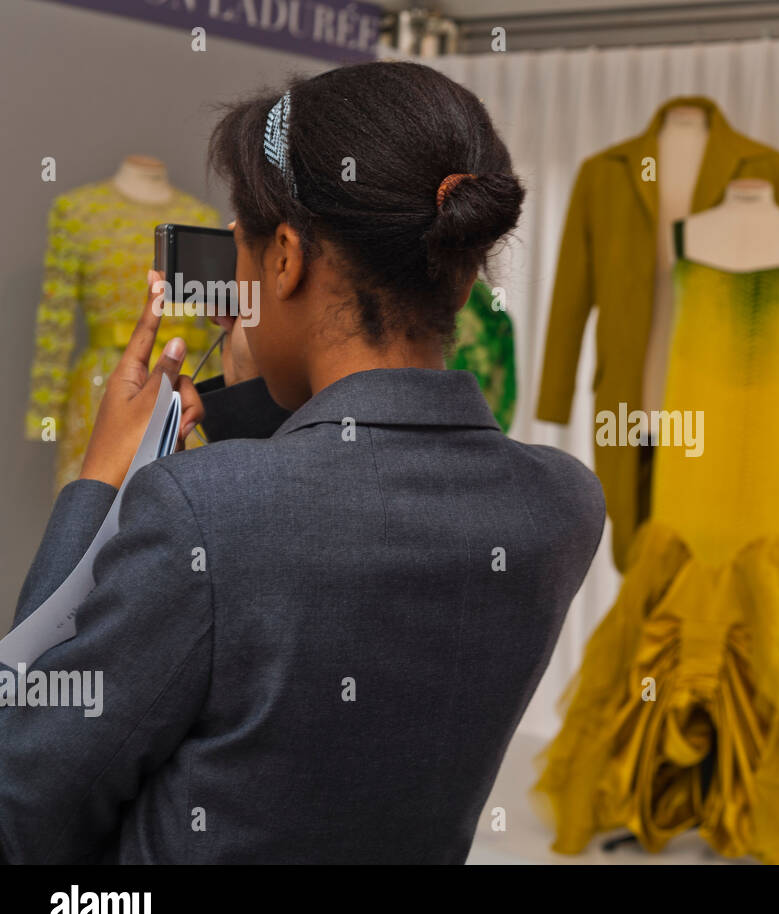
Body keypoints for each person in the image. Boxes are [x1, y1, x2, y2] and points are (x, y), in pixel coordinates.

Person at [0, 62, 606, 863]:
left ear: (285, 258)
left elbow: (21, 799)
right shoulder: (563, 504)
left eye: (245, 252)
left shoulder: (204, 515)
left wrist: (99, 478)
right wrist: (264, 398)